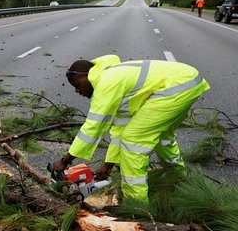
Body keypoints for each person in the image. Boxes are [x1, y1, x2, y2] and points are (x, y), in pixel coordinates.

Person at [53, 54, 210, 207]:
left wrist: (65, 160)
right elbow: (120, 130)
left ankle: (136, 206)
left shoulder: (105, 83)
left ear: (85, 75)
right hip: (188, 80)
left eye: (76, 84)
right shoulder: (112, 78)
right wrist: (108, 166)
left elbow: (92, 128)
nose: (77, 91)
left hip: (176, 86)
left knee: (133, 141)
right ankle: (178, 178)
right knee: (162, 137)